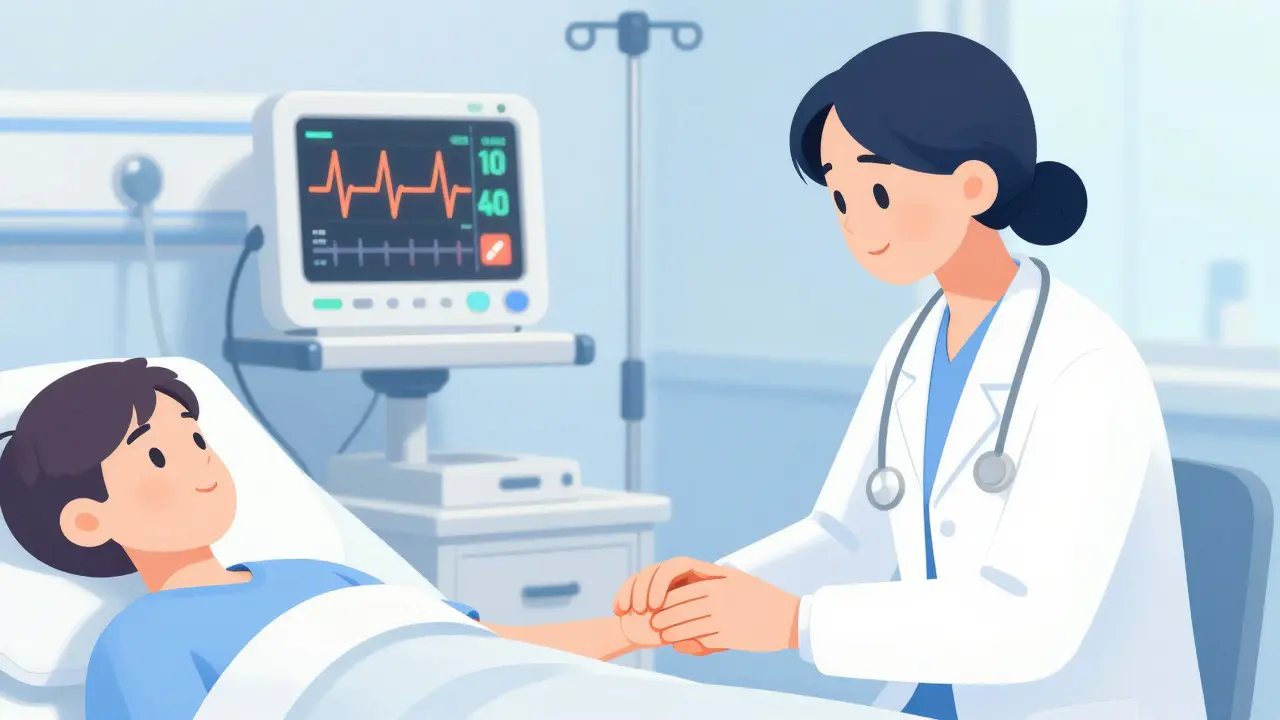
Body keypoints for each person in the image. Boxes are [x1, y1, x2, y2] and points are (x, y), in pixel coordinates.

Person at [613, 31, 1206, 720]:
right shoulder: (916, 342)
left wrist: (789, 623)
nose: (857, 224)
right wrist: (722, 586)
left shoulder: (1087, 362)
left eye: (878, 192)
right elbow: (846, 537)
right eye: (841, 198)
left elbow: (1033, 622)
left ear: (974, 185)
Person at [0, 359, 663, 720]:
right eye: (157, 458)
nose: (200, 461)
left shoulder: (320, 576)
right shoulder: (143, 643)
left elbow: (485, 650)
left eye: (196, 440)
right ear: (89, 521)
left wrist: (633, 631)